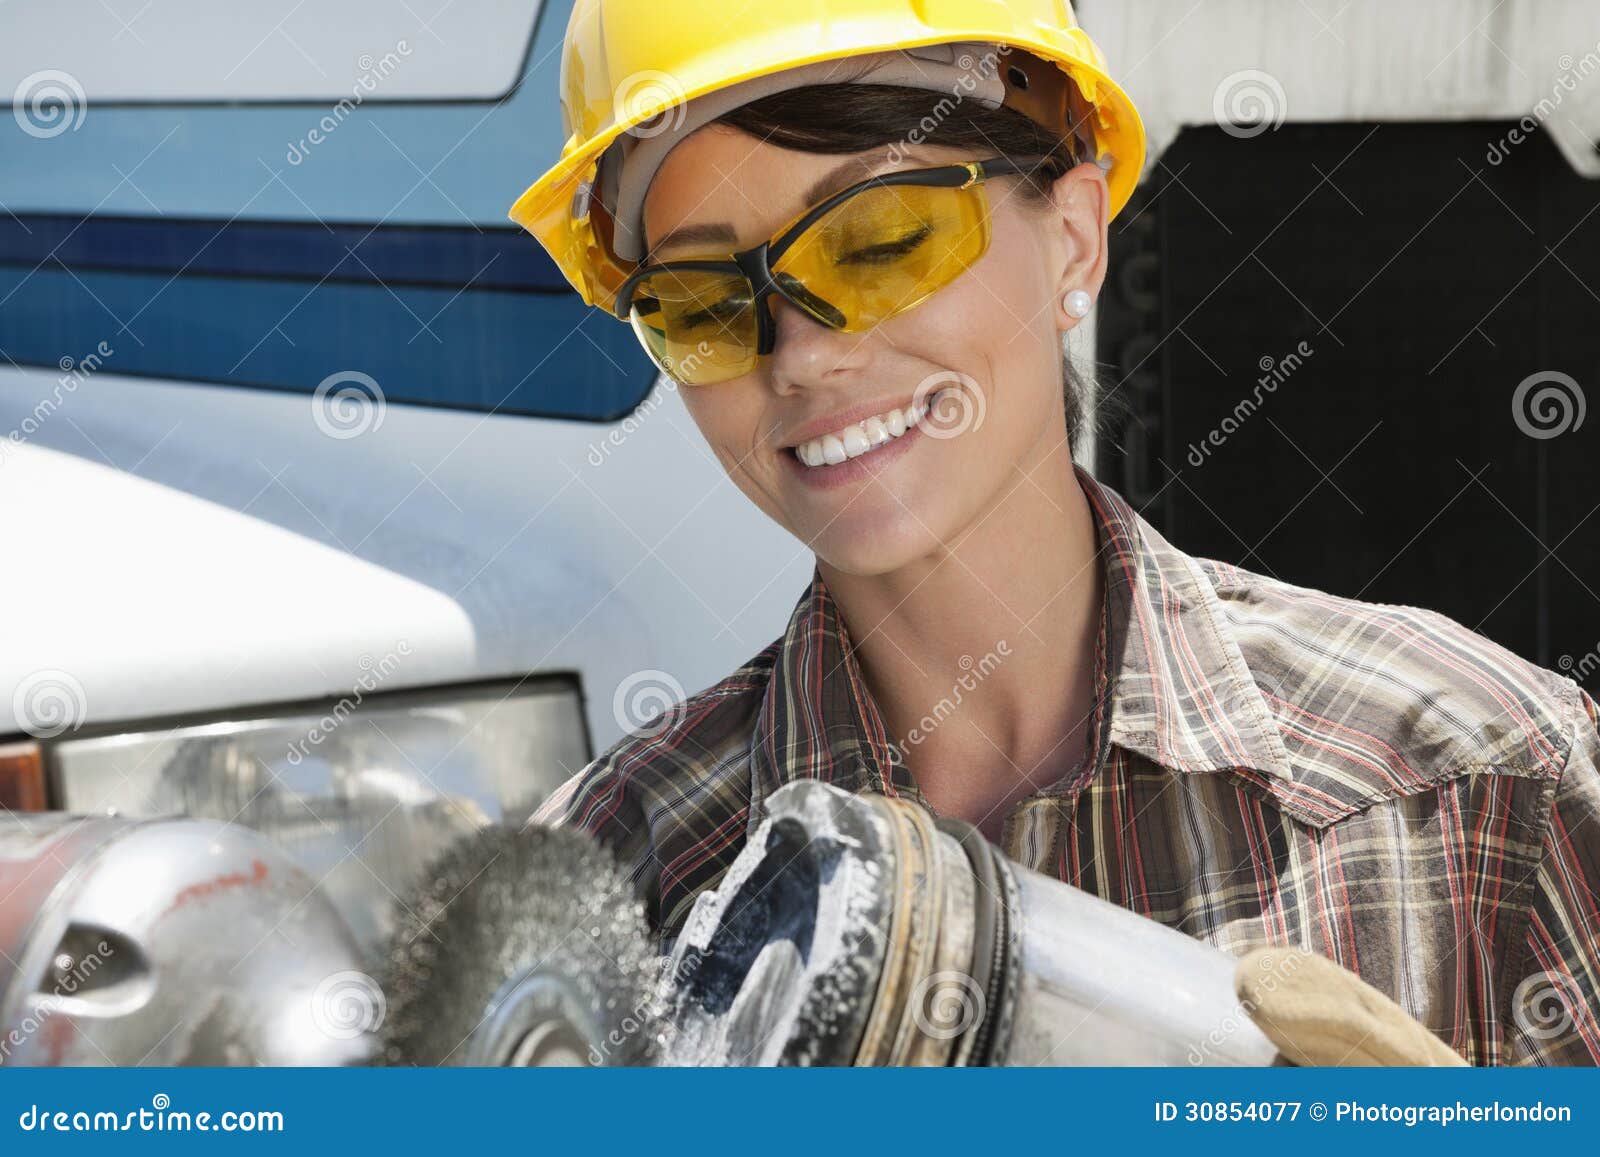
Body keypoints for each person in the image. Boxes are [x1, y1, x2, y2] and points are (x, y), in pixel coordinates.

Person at [515, 0, 1600, 1065]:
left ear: (1074, 239)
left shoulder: (1470, 789)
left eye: (880, 240)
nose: (796, 353)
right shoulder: (608, 884)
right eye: (701, 302)